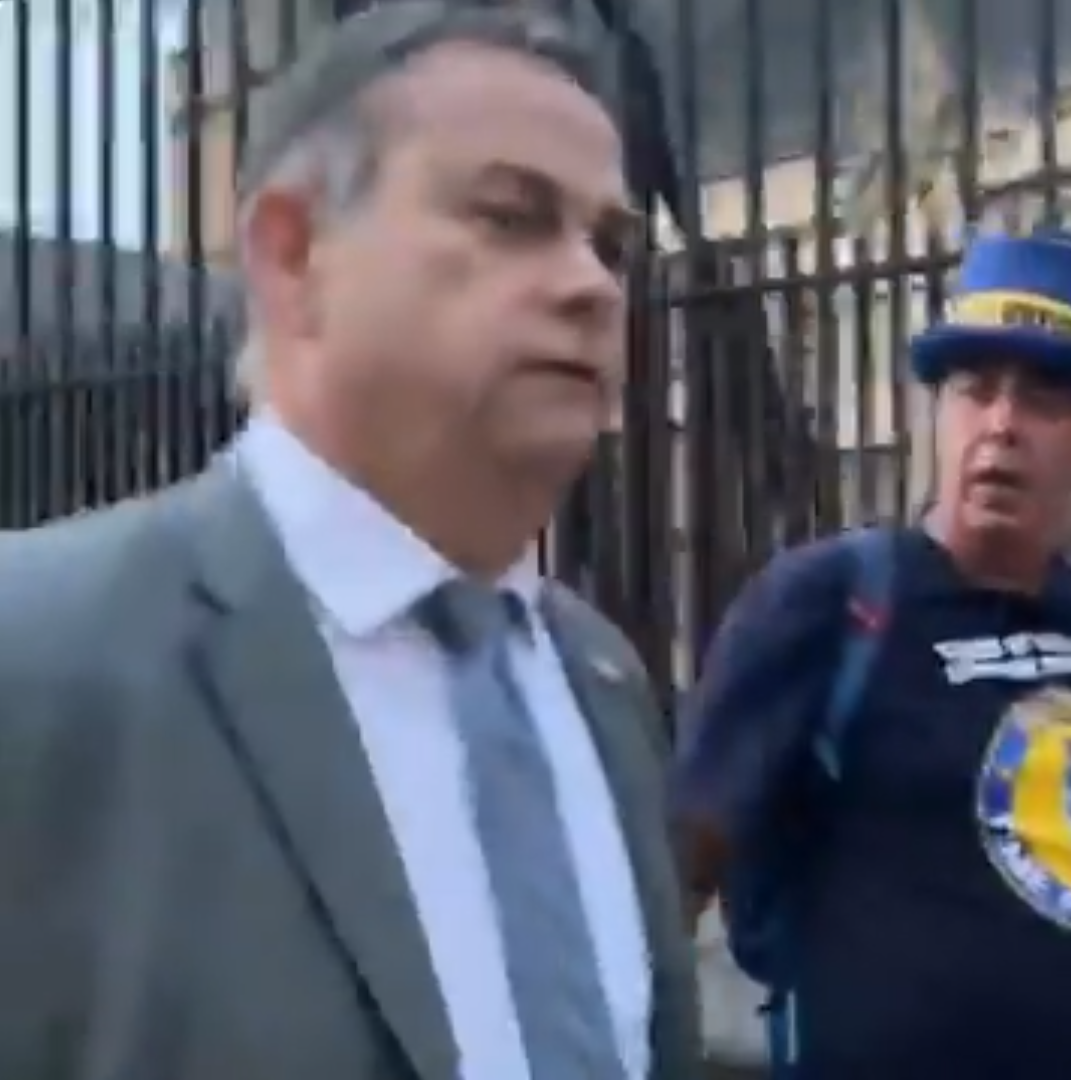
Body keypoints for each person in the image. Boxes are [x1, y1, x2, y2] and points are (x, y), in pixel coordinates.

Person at [0, 5, 698, 1080]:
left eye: (610, 245)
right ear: (295, 255)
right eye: (513, 216)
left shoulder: (605, 687)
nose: (592, 285)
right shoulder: (36, 649)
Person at [670, 230, 1071, 1080]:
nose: (1001, 425)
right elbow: (678, 863)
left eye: (1041, 399)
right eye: (975, 391)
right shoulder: (828, 603)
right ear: (938, 415)